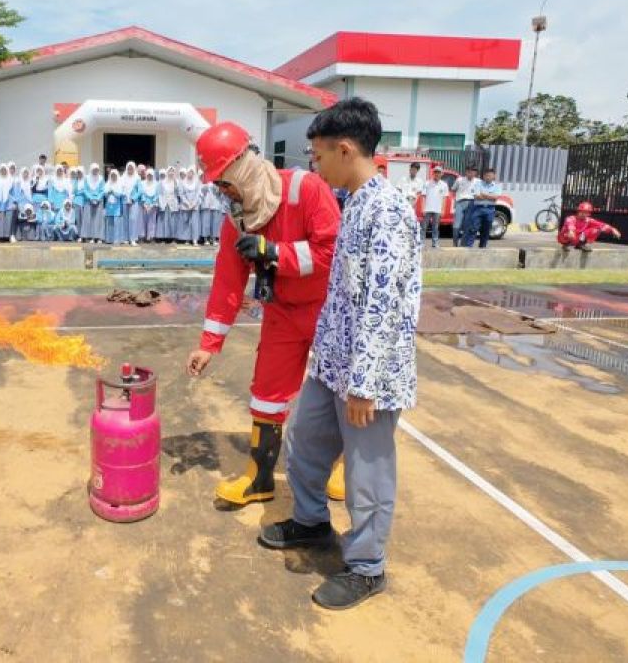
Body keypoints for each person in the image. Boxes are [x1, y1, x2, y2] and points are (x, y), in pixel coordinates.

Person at [258, 96, 421, 612]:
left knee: (367, 473)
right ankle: (311, 521)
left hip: (365, 377)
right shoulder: (356, 202)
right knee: (305, 439)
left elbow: (384, 302)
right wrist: (327, 361)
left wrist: (365, 383)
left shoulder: (389, 212)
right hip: (333, 364)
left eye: (319, 156)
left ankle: (367, 567)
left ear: (346, 149)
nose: (315, 165)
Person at [186, 121, 341, 509]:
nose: (223, 193)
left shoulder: (306, 188)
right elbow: (226, 284)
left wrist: (273, 253)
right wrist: (209, 344)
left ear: (242, 170)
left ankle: (342, 466)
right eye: (217, 186)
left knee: (340, 391)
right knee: (266, 394)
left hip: (329, 310)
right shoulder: (235, 221)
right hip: (282, 314)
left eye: (225, 183)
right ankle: (260, 478)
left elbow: (330, 252)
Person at [461, 167, 501, 248]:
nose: (488, 177)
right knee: (473, 228)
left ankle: (482, 248)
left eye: (490, 175)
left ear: (494, 176)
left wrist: (484, 195)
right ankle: (469, 247)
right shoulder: (478, 184)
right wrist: (490, 196)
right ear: (483, 176)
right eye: (486, 175)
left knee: (486, 230)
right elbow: (477, 196)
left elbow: (495, 198)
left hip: (490, 210)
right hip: (478, 209)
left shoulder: (497, 186)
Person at [420, 166, 449, 248]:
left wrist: (443, 210)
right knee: (424, 227)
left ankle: (435, 243)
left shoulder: (444, 185)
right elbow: (423, 196)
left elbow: (444, 198)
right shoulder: (427, 183)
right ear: (433, 173)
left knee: (435, 227)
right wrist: (423, 208)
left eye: (439, 172)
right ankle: (421, 242)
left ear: (441, 174)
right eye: (435, 172)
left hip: (437, 209)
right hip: (427, 208)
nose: (437, 174)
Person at [451, 165, 478, 241]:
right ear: (466, 172)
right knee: (457, 224)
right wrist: (455, 200)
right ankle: (455, 242)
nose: (470, 173)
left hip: (471, 203)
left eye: (473, 171)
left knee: (467, 224)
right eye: (469, 171)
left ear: (475, 172)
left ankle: (464, 242)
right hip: (460, 202)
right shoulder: (459, 180)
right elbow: (453, 190)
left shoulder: (478, 181)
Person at [81, 164, 106, 243]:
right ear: (91, 170)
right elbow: (85, 189)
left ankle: (99, 237)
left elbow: (103, 190)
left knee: (98, 219)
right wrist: (91, 198)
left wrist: (97, 198)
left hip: (99, 201)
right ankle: (91, 237)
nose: (95, 171)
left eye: (97, 170)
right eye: (94, 170)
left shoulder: (101, 178)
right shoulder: (87, 178)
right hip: (89, 201)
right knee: (89, 219)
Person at [0, 162, 19, 243]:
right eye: (2, 170)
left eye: (4, 170)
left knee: (9, 220)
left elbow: (14, 192)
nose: (3, 171)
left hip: (9, 203)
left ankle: (10, 236)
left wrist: (15, 203)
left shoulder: (11, 179)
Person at [137, 170, 159, 241]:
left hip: (153, 205)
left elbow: (157, 194)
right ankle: (143, 235)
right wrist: (145, 204)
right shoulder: (143, 183)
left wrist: (152, 204)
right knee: (143, 221)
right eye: (148, 175)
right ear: (146, 175)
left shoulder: (156, 184)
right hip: (144, 204)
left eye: (151, 175)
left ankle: (150, 236)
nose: (149, 177)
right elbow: (142, 193)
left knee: (152, 221)